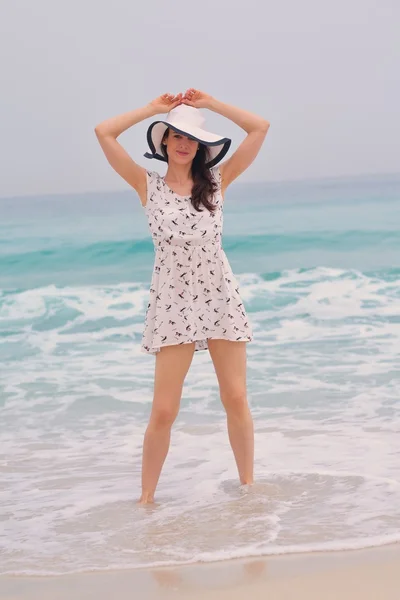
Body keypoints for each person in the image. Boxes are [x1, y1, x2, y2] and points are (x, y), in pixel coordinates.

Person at [94, 89, 270, 504]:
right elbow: (103, 132)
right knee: (164, 410)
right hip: (172, 303)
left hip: (218, 296)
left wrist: (209, 105)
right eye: (175, 135)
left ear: (201, 146)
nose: (183, 142)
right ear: (165, 142)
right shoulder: (146, 185)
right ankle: (146, 501)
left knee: (236, 396)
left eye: (191, 137)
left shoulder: (218, 182)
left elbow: (259, 127)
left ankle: (248, 490)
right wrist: (155, 109)